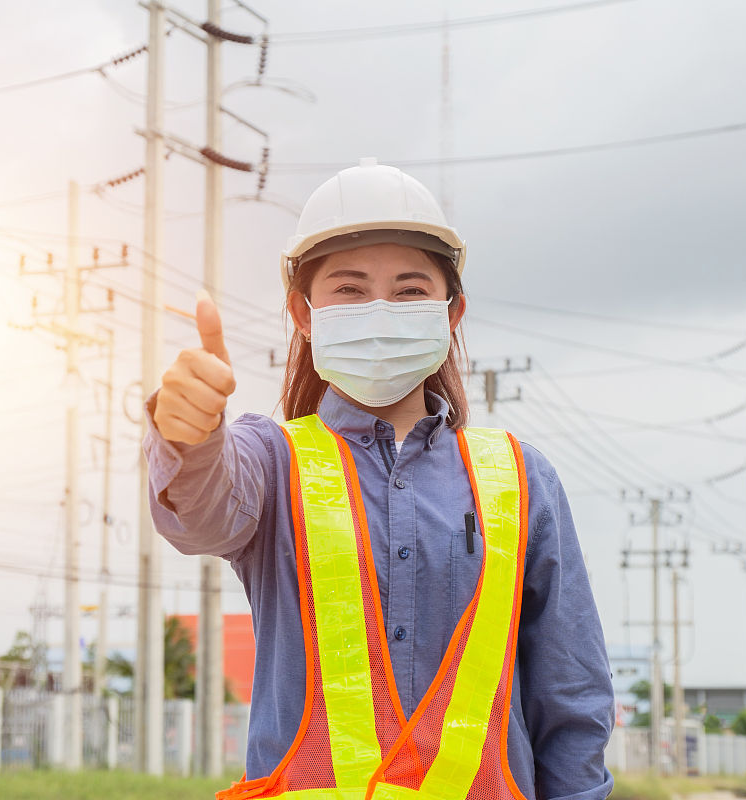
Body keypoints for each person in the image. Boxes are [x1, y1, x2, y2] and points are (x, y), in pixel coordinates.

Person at [143, 158, 614, 800]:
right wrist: (188, 439)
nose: (381, 309)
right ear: (303, 315)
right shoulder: (269, 461)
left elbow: (572, 698)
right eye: (350, 289)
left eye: (411, 290)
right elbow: (200, 513)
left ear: (453, 314)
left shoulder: (520, 480)